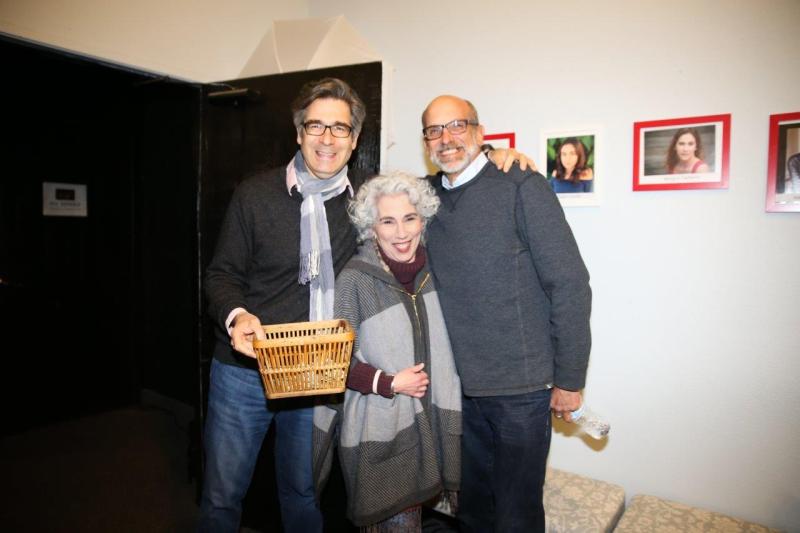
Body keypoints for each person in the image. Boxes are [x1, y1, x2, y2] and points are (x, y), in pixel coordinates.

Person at [200, 77, 532, 532]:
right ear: (298, 133)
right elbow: (221, 274)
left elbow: (428, 191)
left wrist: (489, 154)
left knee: (302, 493)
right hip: (246, 371)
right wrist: (236, 316)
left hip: (314, 373)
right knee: (222, 496)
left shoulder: (365, 197)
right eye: (316, 126)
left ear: (355, 139)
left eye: (340, 128)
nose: (327, 139)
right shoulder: (255, 194)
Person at [420, 95, 592, 533]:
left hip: (521, 391)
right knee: (472, 509)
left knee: (517, 514)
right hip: (458, 387)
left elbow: (569, 283)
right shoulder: (424, 198)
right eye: (434, 130)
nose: (446, 138)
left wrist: (570, 379)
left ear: (480, 132)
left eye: (457, 126)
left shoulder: (521, 185)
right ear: (426, 143)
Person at [313, 172, 461, 532]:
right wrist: (387, 382)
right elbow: (331, 363)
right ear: (371, 228)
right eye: (388, 221)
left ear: (423, 220)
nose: (401, 233)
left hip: (437, 430)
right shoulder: (354, 280)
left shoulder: (438, 271)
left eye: (410, 218)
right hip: (382, 438)